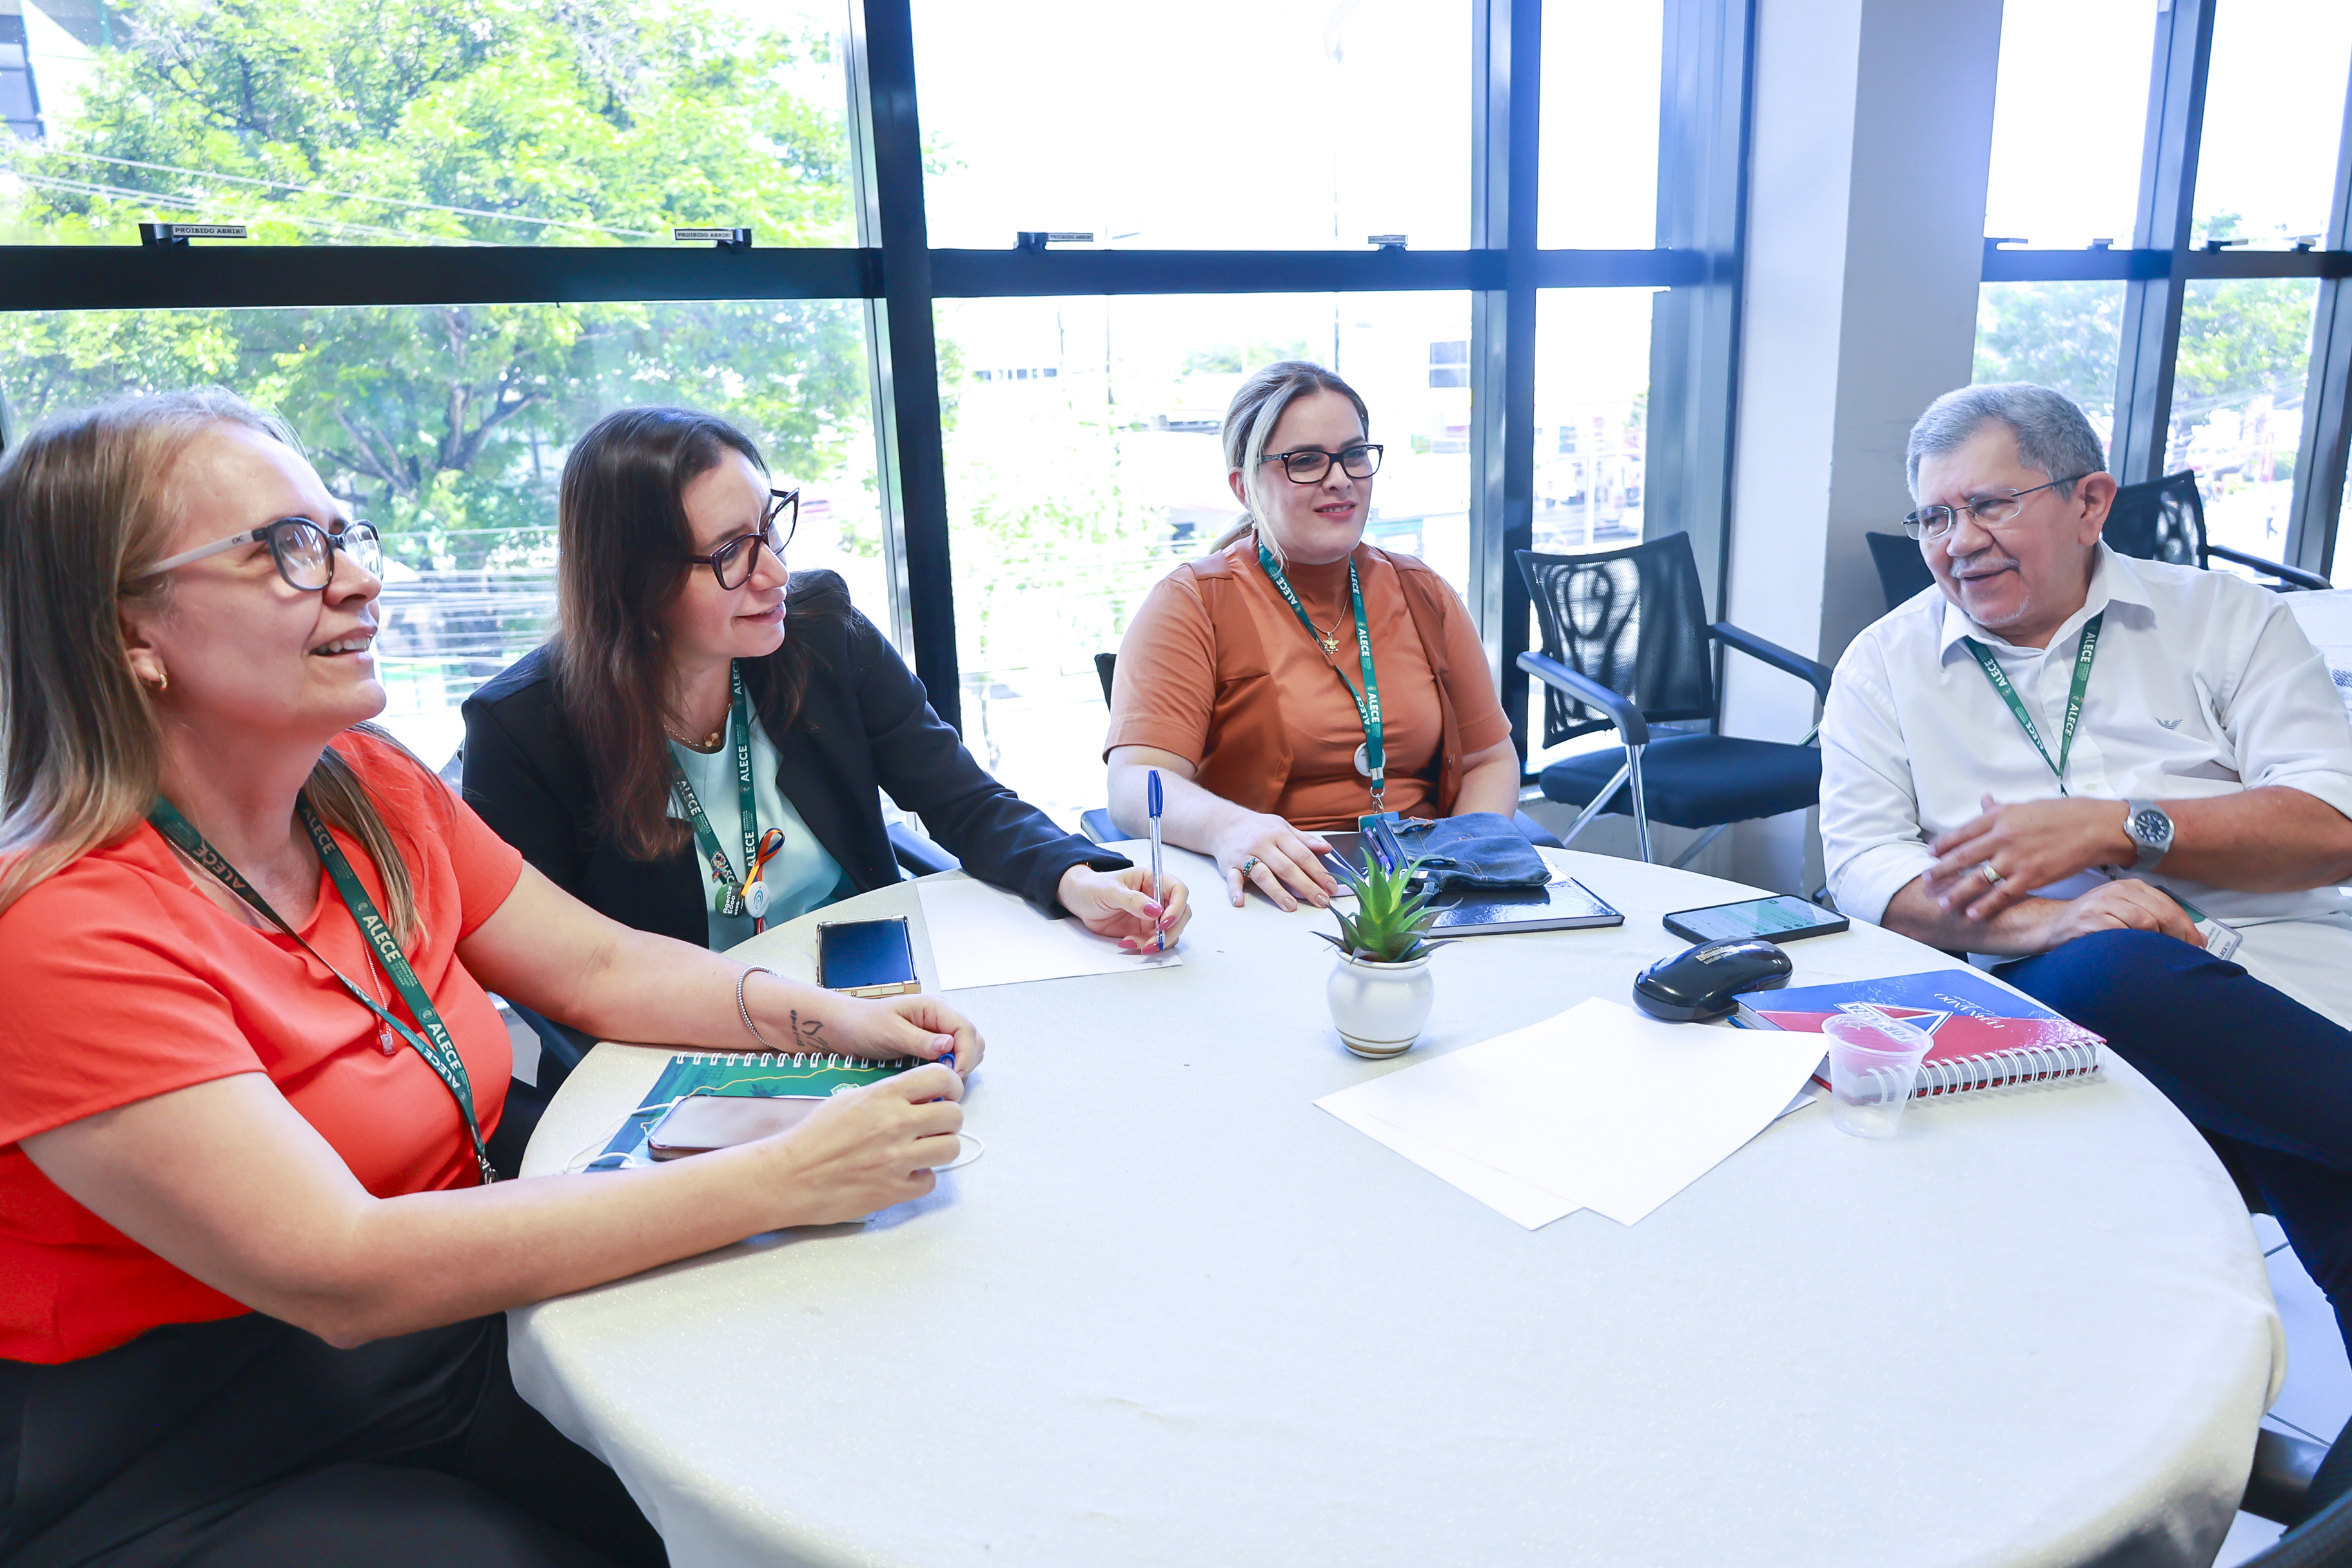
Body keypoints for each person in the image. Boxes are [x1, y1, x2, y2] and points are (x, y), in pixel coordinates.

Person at [0, 389, 994, 1567]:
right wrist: (783, 1178)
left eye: (344, 535)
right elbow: (342, 1273)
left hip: (459, 1324)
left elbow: (601, 965)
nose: (359, 581)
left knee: (806, 1450)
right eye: (285, 549)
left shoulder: (368, 786)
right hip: (210, 1432)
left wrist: (829, 1021)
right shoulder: (60, 931)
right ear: (127, 632)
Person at [1819, 380, 2352, 1351]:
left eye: (1990, 504)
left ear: (2090, 502)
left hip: (2291, 978)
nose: (1959, 541)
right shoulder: (1883, 665)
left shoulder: (2227, 619)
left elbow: (2332, 824)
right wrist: (2053, 920)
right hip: (2069, 991)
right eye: (1935, 517)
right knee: (2111, 966)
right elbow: (1864, 867)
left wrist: (2118, 828)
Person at [462, 407, 1190, 1097]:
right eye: (730, 553)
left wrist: (1076, 876)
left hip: (872, 994)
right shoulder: (523, 728)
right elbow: (556, 976)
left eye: (769, 528)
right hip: (681, 1044)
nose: (775, 573)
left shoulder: (821, 631)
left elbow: (964, 800)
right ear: (632, 581)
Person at [1104, 361, 1520, 911]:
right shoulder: (1192, 603)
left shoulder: (1423, 592)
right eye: (1304, 461)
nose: (1340, 478)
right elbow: (1134, 783)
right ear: (1245, 487)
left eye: (1354, 454)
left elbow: (1489, 759)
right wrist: (1229, 828)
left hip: (1424, 892)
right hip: (1272, 894)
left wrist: (1464, 867)